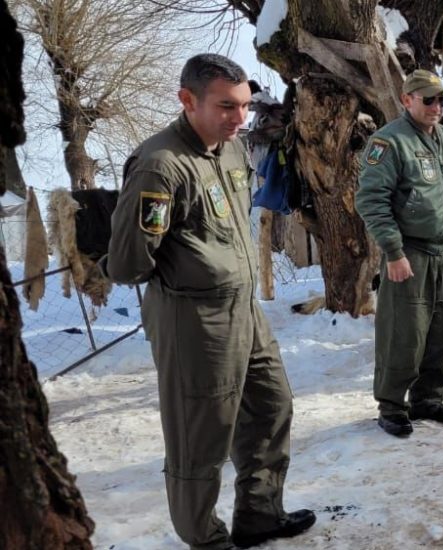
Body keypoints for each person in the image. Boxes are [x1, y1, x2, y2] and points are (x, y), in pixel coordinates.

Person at [103, 54, 315, 550]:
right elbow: (129, 264)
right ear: (187, 101)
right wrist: (191, 271)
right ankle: (203, 537)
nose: (240, 118)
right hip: (194, 317)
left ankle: (259, 515)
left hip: (243, 309)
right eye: (225, 106)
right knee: (201, 434)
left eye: (243, 106)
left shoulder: (233, 151)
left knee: (270, 406)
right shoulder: (160, 165)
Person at [355, 69, 443, 438]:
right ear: (407, 100)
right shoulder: (389, 143)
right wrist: (393, 252)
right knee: (403, 332)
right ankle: (392, 405)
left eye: (442, 99)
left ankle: (428, 398)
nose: (437, 106)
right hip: (409, 252)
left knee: (440, 329)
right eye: (428, 99)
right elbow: (371, 201)